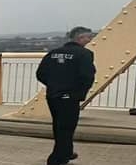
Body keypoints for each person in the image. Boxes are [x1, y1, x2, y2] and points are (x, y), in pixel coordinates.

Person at [36, 26, 96, 165]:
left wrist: (53, 85)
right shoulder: (84, 54)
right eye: (88, 37)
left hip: (53, 95)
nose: (90, 39)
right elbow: (87, 76)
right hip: (69, 97)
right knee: (67, 127)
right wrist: (78, 93)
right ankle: (56, 158)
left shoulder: (53, 53)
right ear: (80, 38)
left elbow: (40, 74)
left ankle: (67, 152)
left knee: (58, 126)